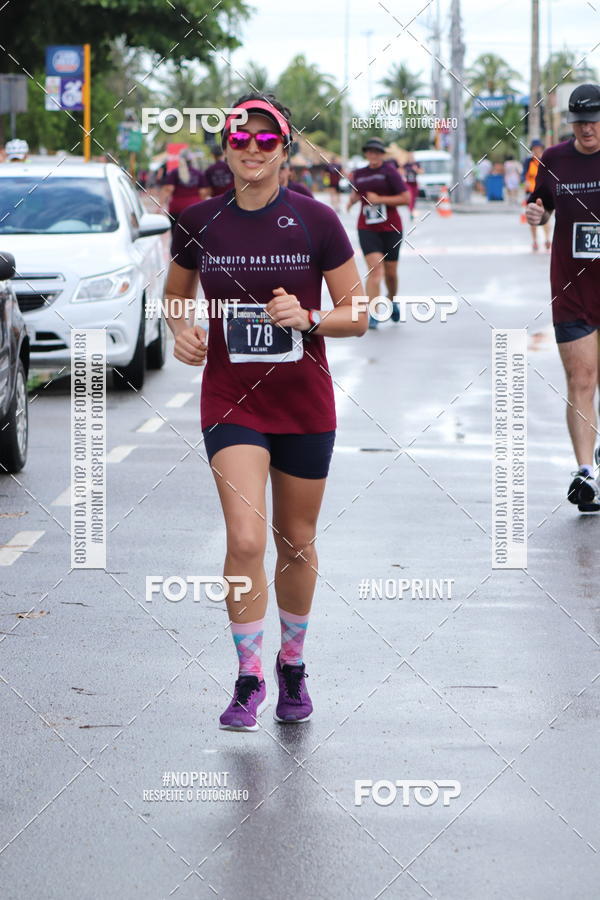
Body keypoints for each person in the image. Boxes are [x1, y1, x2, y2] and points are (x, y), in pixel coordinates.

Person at [164, 92, 367, 731]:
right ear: (225, 147)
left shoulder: (316, 221)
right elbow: (174, 295)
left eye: (265, 139)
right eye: (240, 139)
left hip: (305, 403)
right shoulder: (199, 219)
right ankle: (248, 676)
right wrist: (182, 330)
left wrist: (308, 318)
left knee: (296, 540)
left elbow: (358, 314)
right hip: (232, 402)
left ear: (285, 148)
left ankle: (292, 665)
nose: (252, 149)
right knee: (247, 538)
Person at [526, 84, 600, 512]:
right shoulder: (554, 159)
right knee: (582, 380)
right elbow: (542, 204)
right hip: (572, 289)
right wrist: (538, 212)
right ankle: (584, 473)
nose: (586, 129)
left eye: (592, 120)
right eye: (579, 122)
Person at [347, 137, 410, 329]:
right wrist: (352, 201)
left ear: (382, 154)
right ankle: (373, 312)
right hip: (367, 227)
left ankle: (392, 300)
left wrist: (380, 199)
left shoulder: (389, 172)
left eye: (377, 152)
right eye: (370, 152)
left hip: (391, 228)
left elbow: (405, 198)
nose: (373, 155)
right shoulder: (359, 173)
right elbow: (359, 192)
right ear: (366, 153)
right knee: (376, 271)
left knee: (390, 273)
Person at [161, 149, 209, 223]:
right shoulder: (198, 173)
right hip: (195, 208)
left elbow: (169, 189)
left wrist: (160, 205)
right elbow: (203, 192)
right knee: (194, 233)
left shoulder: (174, 172)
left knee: (177, 233)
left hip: (177, 209)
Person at [522, 140, 551, 251]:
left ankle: (547, 239)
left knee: (545, 216)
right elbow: (523, 175)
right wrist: (525, 181)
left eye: (538, 148)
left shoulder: (546, 160)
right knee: (533, 217)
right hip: (531, 193)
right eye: (534, 148)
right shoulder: (528, 162)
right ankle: (534, 241)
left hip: (544, 192)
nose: (537, 150)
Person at [402, 151, 423, 220]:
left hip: (414, 182)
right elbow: (401, 172)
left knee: (414, 197)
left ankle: (412, 209)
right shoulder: (405, 165)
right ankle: (411, 211)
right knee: (410, 196)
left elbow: (421, 172)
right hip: (408, 183)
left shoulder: (416, 164)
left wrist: (416, 169)